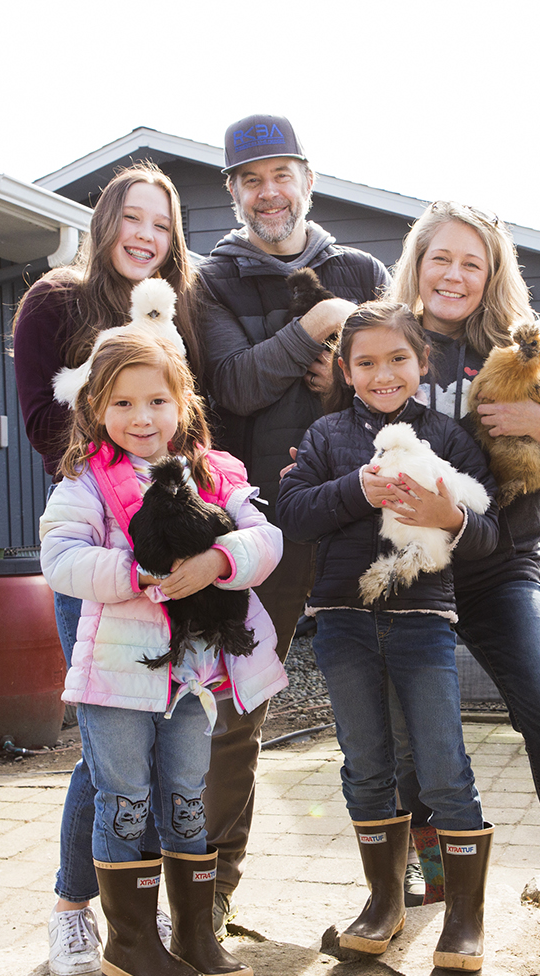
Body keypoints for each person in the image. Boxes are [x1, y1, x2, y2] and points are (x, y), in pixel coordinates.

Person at [384, 201, 540, 968]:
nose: (454, 274)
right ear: (418, 266)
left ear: (492, 275)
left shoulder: (527, 354)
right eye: (440, 258)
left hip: (501, 569)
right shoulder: (389, 345)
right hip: (417, 570)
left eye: (471, 262)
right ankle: (428, 883)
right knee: (411, 730)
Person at [39, 325, 287, 976]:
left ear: (183, 402)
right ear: (95, 410)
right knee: (125, 799)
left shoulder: (214, 474)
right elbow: (59, 559)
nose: (141, 417)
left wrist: (219, 559)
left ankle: (195, 932)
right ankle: (130, 942)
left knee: (185, 797)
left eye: (156, 400)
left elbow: (267, 540)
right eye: (121, 404)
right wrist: (134, 568)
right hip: (116, 676)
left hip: (191, 676)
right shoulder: (86, 483)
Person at [195, 115, 390, 932]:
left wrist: (334, 387)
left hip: (358, 511)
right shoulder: (212, 279)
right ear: (234, 192)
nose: (268, 192)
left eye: (282, 174)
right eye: (251, 178)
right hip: (262, 528)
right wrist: (312, 330)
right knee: (239, 713)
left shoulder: (363, 267)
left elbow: (393, 381)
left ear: (308, 179)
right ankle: (210, 892)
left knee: (387, 698)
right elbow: (231, 385)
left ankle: (401, 883)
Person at [12, 163, 203, 976]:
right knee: (106, 740)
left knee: (167, 732)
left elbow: (196, 413)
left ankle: (144, 911)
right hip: (100, 548)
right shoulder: (55, 301)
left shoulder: (181, 308)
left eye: (161, 222)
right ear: (105, 223)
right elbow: (40, 419)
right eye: (132, 217)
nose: (146, 235)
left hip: (177, 559)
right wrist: (121, 484)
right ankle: (70, 906)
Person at [276, 301, 499, 971]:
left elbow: (488, 532)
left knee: (442, 765)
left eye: (398, 359)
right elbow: (293, 512)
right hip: (341, 621)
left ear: (423, 364)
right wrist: (358, 490)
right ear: (345, 370)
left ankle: (464, 916)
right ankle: (384, 901)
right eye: (366, 362)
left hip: (423, 622)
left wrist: (447, 513)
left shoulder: (450, 439)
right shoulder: (326, 437)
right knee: (366, 763)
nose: (383, 374)